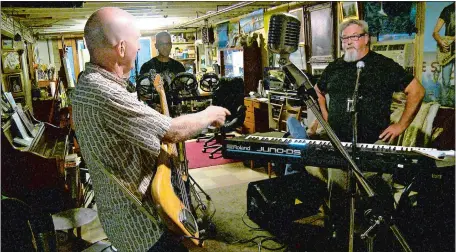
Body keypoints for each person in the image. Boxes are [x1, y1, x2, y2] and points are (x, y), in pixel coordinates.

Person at [71, 7, 230, 252]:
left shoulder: (88, 84)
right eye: (136, 41)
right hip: (140, 225)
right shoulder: (102, 92)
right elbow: (172, 131)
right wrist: (210, 114)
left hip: (125, 217)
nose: (138, 49)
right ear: (121, 48)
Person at [289, 19, 425, 250]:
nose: (349, 43)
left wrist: (400, 126)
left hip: (373, 146)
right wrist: (327, 117)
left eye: (354, 37)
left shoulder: (383, 66)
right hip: (339, 146)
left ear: (366, 38)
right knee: (339, 203)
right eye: (345, 39)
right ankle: (342, 242)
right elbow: (318, 92)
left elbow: (416, 91)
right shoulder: (336, 68)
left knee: (375, 205)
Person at [432, 2, 455, 107]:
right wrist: (440, 42)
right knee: (445, 81)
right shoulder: (447, 9)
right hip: (447, 50)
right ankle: (444, 107)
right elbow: (435, 32)